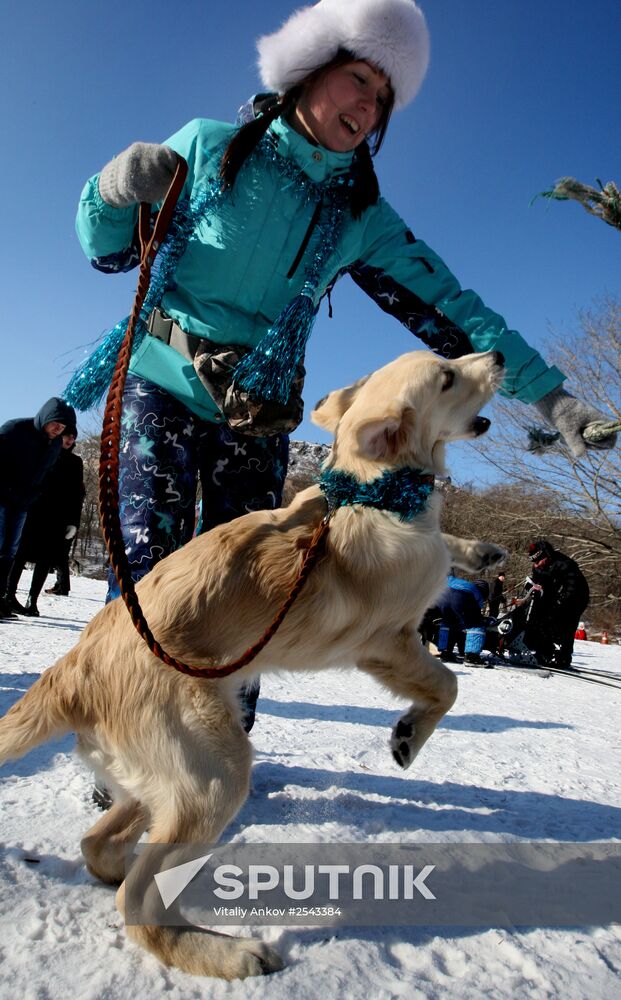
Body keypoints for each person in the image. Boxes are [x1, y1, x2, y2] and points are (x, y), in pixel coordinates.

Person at [64, 0, 615, 721]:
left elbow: (453, 310)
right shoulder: (207, 146)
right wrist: (112, 188)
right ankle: (125, 721)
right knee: (149, 571)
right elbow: (106, 250)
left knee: (259, 580)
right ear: (309, 69)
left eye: (383, 97)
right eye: (359, 78)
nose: (368, 103)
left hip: (254, 408)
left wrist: (550, 398)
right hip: (158, 384)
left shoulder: (361, 217)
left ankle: (224, 726)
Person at [0, 398, 76, 620]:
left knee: (9, 553)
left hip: (23, 504)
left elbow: (43, 473)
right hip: (3, 498)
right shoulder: (14, 430)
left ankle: (1, 599)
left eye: (62, 428)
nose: (58, 430)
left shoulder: (53, 445)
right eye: (55, 424)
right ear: (45, 418)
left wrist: (32, 495)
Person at [7, 427, 85, 616]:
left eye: (73, 437)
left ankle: (32, 600)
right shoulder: (43, 453)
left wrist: (73, 522)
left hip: (57, 519)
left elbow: (77, 495)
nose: (69, 440)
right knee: (19, 556)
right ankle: (9, 595)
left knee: (45, 560)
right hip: (33, 513)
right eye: (67, 435)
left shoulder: (76, 462)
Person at [526, 539, 590, 668]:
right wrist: (530, 587)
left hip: (577, 598)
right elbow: (535, 581)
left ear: (546, 556)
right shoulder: (539, 567)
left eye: (538, 561)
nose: (536, 565)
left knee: (565, 624)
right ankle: (544, 651)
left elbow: (573, 586)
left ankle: (564, 657)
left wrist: (560, 600)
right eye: (534, 562)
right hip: (554, 595)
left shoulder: (565, 564)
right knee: (540, 618)